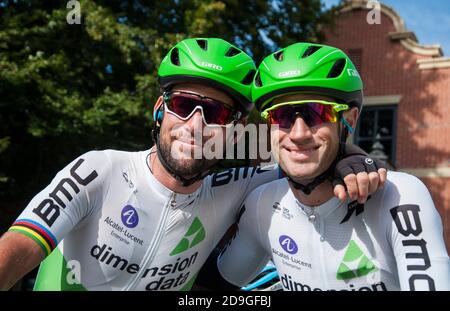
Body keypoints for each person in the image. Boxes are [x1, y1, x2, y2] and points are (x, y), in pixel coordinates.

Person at [0, 38, 385, 291]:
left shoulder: (239, 187)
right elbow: (17, 248)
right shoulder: (99, 171)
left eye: (216, 113)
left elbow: (306, 159)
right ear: (159, 111)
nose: (196, 126)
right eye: (184, 105)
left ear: (235, 131)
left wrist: (353, 158)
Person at [217, 42, 450, 291]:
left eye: (316, 113)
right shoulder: (261, 204)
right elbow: (214, 286)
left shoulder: (401, 196)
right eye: (281, 115)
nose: (298, 133)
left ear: (348, 120)